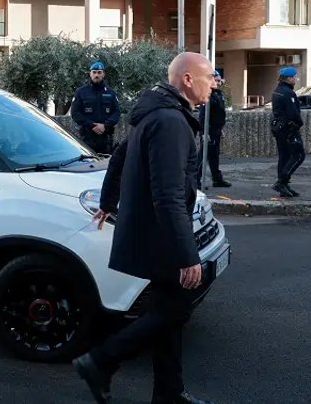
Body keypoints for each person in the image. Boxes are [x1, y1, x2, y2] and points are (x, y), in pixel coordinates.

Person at [73, 52, 215, 404]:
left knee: (168, 313)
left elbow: (120, 154)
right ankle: (101, 361)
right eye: (210, 77)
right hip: (162, 235)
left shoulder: (155, 113)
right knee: (176, 310)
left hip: (154, 231)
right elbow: (167, 195)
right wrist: (186, 254)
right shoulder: (170, 122)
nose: (214, 84)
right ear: (187, 80)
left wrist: (108, 201)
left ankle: (169, 393)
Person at [70, 62, 121, 155]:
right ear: (90, 74)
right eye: (94, 72)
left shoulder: (110, 93)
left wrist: (105, 125)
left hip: (106, 138)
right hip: (87, 138)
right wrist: (92, 125)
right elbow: (75, 113)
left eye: (99, 72)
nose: (96, 75)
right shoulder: (81, 92)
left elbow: (117, 112)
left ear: (103, 74)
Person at [270, 67, 305, 198]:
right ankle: (281, 182)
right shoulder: (288, 93)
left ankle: (284, 185)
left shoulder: (277, 90)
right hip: (288, 129)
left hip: (279, 128)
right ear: (289, 78)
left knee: (284, 156)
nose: (296, 79)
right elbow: (293, 113)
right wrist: (299, 123)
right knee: (299, 155)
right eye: (295, 77)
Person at [196, 71, 230, 188]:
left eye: (220, 80)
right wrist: (204, 133)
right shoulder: (208, 95)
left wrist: (220, 129)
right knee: (203, 156)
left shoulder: (217, 94)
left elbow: (219, 114)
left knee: (214, 155)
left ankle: (217, 179)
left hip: (216, 130)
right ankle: (195, 181)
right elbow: (203, 116)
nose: (219, 83)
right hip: (208, 131)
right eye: (217, 80)